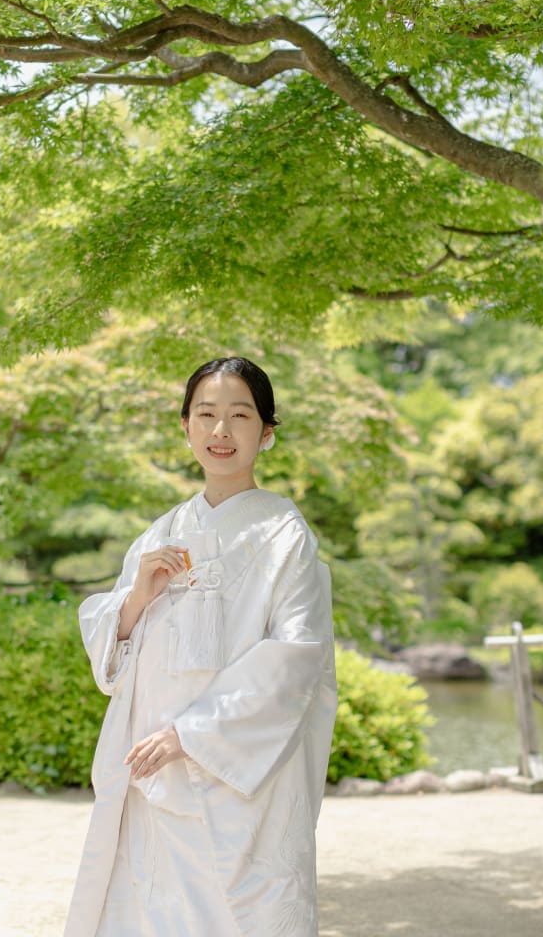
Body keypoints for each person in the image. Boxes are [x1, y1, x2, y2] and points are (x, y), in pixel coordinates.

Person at [63, 356, 338, 937]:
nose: (220, 431)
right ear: (184, 425)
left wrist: (189, 736)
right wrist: (137, 595)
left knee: (241, 912)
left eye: (239, 416)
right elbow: (111, 652)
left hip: (238, 776)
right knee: (150, 910)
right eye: (206, 414)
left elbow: (296, 655)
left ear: (265, 432)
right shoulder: (161, 532)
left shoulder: (286, 534)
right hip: (153, 773)